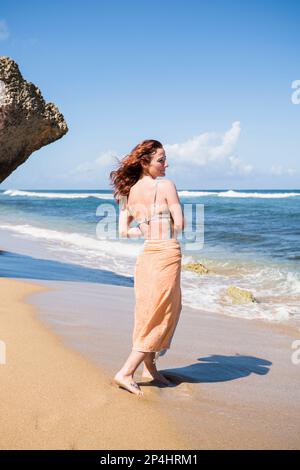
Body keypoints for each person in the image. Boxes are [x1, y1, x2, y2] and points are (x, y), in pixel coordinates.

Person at [109, 139, 184, 396]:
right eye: (161, 159)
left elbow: (123, 232)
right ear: (145, 162)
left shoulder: (127, 193)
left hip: (147, 256)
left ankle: (149, 367)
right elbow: (181, 224)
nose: (166, 164)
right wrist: (162, 223)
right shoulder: (166, 186)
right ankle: (126, 372)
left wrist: (145, 227)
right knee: (162, 313)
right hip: (166, 253)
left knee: (148, 312)